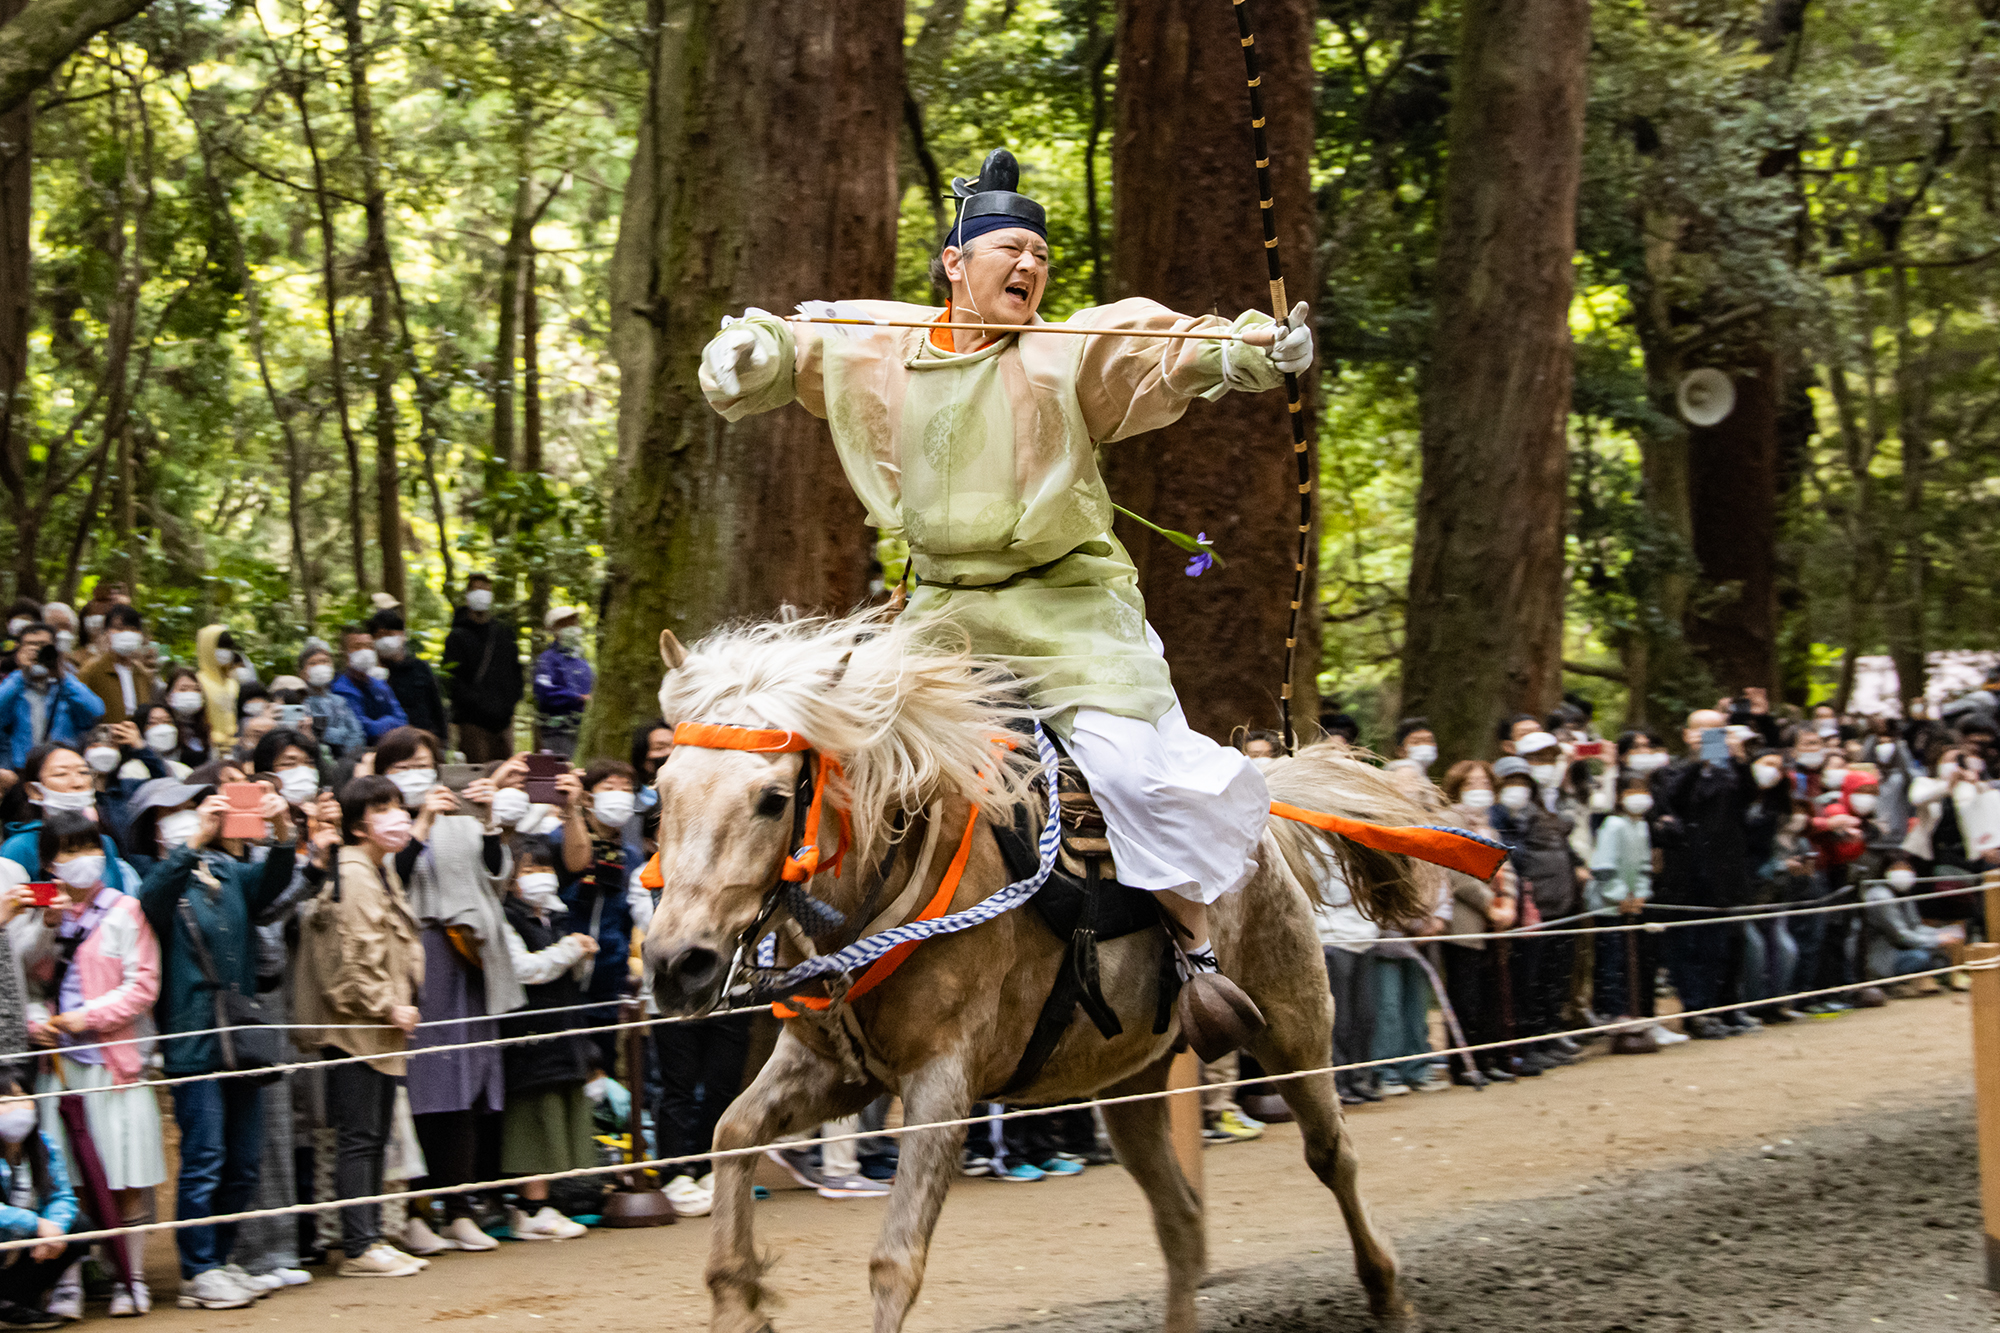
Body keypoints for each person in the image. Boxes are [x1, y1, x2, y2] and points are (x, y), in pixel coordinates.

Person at [697, 146, 1315, 1045]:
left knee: (1136, 769)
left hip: (1070, 610)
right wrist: (743, 350)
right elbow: (796, 342)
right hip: (944, 617)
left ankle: (1194, 952)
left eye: (1040, 254)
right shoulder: (884, 346)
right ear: (956, 262)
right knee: (832, 743)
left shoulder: (1061, 358)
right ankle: (791, 931)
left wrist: (1252, 350)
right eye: (1009, 250)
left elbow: (1161, 350)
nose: (1029, 266)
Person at [137, 778, 296, 1310]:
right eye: (177, 811)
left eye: (198, 806)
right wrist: (194, 841)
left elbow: (273, 881)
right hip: (192, 1038)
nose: (192, 814)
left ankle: (224, 1259)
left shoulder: (230, 872)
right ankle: (197, 1269)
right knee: (205, 1154)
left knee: (244, 1158)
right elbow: (151, 898)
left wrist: (281, 829)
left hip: (242, 1039)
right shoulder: (158, 878)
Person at [370, 732, 522, 1258]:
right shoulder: (375, 821)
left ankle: (461, 1209)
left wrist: (488, 821)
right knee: (425, 1085)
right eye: (407, 765)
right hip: (414, 961)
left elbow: (496, 878)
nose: (419, 772)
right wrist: (422, 823)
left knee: (470, 1083)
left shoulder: (456, 812)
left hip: (469, 958)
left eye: (426, 764)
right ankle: (416, 1210)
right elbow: (393, 879)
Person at [22, 811, 163, 1318]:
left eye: (89, 847)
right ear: (50, 864)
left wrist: (88, 1018)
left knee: (126, 1177)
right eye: (69, 850)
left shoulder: (126, 910)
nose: (83, 859)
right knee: (68, 1180)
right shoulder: (42, 916)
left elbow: (143, 984)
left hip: (115, 1063)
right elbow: (29, 984)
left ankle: (133, 1278)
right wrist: (46, 932)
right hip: (58, 1067)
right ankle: (70, 1285)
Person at [293, 776, 428, 1278]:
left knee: (373, 1135)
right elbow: (350, 958)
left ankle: (369, 1236)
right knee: (359, 1135)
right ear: (358, 825)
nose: (398, 816)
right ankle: (357, 1246)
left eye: (398, 805)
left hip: (382, 1026)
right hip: (357, 1026)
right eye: (383, 808)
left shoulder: (380, 869)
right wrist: (388, 1004)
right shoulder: (351, 873)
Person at [496, 837, 593, 1241]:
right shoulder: (504, 918)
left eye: (545, 868)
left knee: (560, 1111)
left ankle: (548, 1203)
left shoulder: (557, 917)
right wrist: (572, 949)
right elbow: (525, 970)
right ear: (510, 879)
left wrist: (580, 956)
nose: (539, 878)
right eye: (528, 870)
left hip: (565, 1029)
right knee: (534, 1116)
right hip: (527, 1034)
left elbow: (576, 978)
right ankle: (530, 1207)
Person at [1650, 708, 1756, 1039]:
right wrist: (1698, 762)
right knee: (1687, 946)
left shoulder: (1731, 775)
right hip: (1684, 872)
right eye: (1703, 731)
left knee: (1720, 945)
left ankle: (1719, 1008)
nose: (1710, 739)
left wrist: (1738, 760)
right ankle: (1695, 1010)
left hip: (1724, 872)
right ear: (1686, 734)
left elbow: (1750, 800)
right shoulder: (1670, 772)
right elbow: (1673, 801)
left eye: (1717, 732)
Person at [550, 760, 640, 1069]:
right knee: (566, 1063)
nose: (619, 795)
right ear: (588, 797)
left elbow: (629, 919)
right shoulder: (558, 839)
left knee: (605, 1062)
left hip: (608, 980)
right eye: (609, 788)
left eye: (626, 790)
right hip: (560, 974)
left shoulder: (631, 855)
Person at [1437, 760, 1519, 1085]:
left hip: (1494, 922)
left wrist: (1509, 899)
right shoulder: (1447, 821)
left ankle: (1488, 1057)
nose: (1479, 789)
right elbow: (1456, 873)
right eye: (1471, 783)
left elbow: (1505, 867)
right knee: (1465, 994)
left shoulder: (1490, 826)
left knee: (1490, 994)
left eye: (1484, 783)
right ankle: (1464, 1063)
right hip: (1465, 921)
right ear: (1457, 787)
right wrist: (1490, 905)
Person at [0, 1069, 85, 1329]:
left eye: (22, 1096)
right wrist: (37, 1224)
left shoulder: (44, 1145)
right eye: (4, 1100)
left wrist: (54, 1227)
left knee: (78, 1228)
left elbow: (62, 1196)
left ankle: (9, 1302)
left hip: (16, 1243)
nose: (16, 1106)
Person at [1587, 775, 1655, 1038]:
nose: (1639, 796)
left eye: (1643, 790)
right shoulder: (1612, 825)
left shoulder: (1641, 826)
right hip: (1607, 905)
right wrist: (1619, 897)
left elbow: (1644, 865)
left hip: (1630, 905)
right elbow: (1603, 867)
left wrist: (1640, 894)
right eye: (1632, 791)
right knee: (1610, 959)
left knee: (1628, 957)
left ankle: (1626, 1009)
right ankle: (1610, 1010)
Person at [440, 576, 522, 764]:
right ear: (468, 595)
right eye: (477, 589)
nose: (482, 594)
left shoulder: (503, 633)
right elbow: (453, 681)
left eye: (486, 590)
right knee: (477, 777)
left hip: (503, 723)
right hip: (473, 723)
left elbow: (515, 673)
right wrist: (479, 705)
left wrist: (508, 706)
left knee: (506, 774)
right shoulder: (457, 637)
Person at [0, 628, 105, 771]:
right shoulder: (14, 684)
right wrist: (21, 674)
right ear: (19, 652)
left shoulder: (66, 684)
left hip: (62, 766)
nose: (36, 650)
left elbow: (96, 711)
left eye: (43, 645)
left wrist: (61, 675)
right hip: (22, 769)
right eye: (30, 644)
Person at [367, 613, 449, 742]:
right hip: (387, 742)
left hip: (422, 739)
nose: (385, 640)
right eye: (379, 636)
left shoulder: (419, 668)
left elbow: (436, 707)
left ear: (402, 635)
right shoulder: (369, 674)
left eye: (389, 634)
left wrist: (442, 740)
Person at [76, 607, 156, 728]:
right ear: (107, 633)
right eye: (119, 628)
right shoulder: (92, 670)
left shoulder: (142, 674)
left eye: (133, 629)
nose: (127, 633)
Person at [329, 628, 408, 746]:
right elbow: (359, 727)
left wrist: (381, 725)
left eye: (369, 646)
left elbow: (402, 720)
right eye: (357, 646)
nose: (364, 651)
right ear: (346, 654)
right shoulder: (339, 690)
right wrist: (389, 722)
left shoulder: (381, 686)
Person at [532, 609, 593, 761]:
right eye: (566, 624)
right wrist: (577, 698)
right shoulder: (547, 660)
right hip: (557, 732)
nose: (572, 628)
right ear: (554, 629)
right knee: (561, 773)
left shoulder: (582, 661)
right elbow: (545, 693)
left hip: (583, 730)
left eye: (574, 623)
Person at [296, 645, 367, 759]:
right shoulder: (299, 701)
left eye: (325, 662)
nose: (320, 666)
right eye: (313, 663)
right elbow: (310, 735)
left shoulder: (339, 701)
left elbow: (357, 733)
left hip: (346, 761)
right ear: (302, 673)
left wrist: (348, 760)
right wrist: (341, 733)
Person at [193, 626, 248, 753]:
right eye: (219, 647)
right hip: (208, 747)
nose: (224, 652)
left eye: (228, 648)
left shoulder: (232, 684)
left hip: (234, 746)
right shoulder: (199, 681)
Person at [160, 668, 214, 769]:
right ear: (168, 696)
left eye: (196, 689)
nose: (190, 694)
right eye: (183, 689)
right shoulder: (163, 728)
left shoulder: (202, 728)